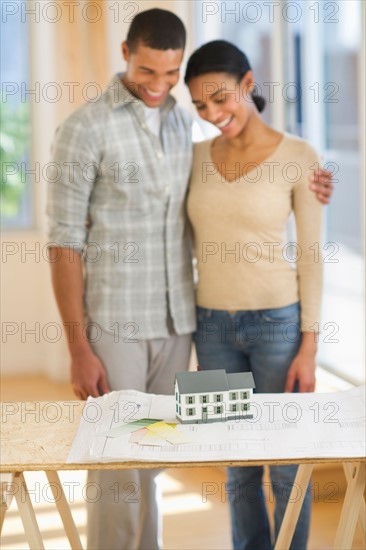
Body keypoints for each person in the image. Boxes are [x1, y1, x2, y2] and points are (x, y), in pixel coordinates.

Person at [47, 9, 333, 550]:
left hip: (232, 327)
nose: (161, 87)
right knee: (170, 467)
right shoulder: (134, 138)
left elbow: (301, 239)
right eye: (147, 71)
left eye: (171, 76)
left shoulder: (251, 145)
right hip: (168, 327)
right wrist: (78, 343)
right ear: (127, 52)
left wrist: (310, 345)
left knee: (244, 463)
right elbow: (76, 235)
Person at [185, 40, 324, 550]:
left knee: (286, 466)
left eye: (220, 99)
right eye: (200, 105)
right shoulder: (194, 158)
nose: (212, 114)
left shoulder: (300, 156)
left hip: (278, 328)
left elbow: (311, 257)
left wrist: (309, 348)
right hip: (213, 327)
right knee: (237, 468)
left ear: (248, 83)